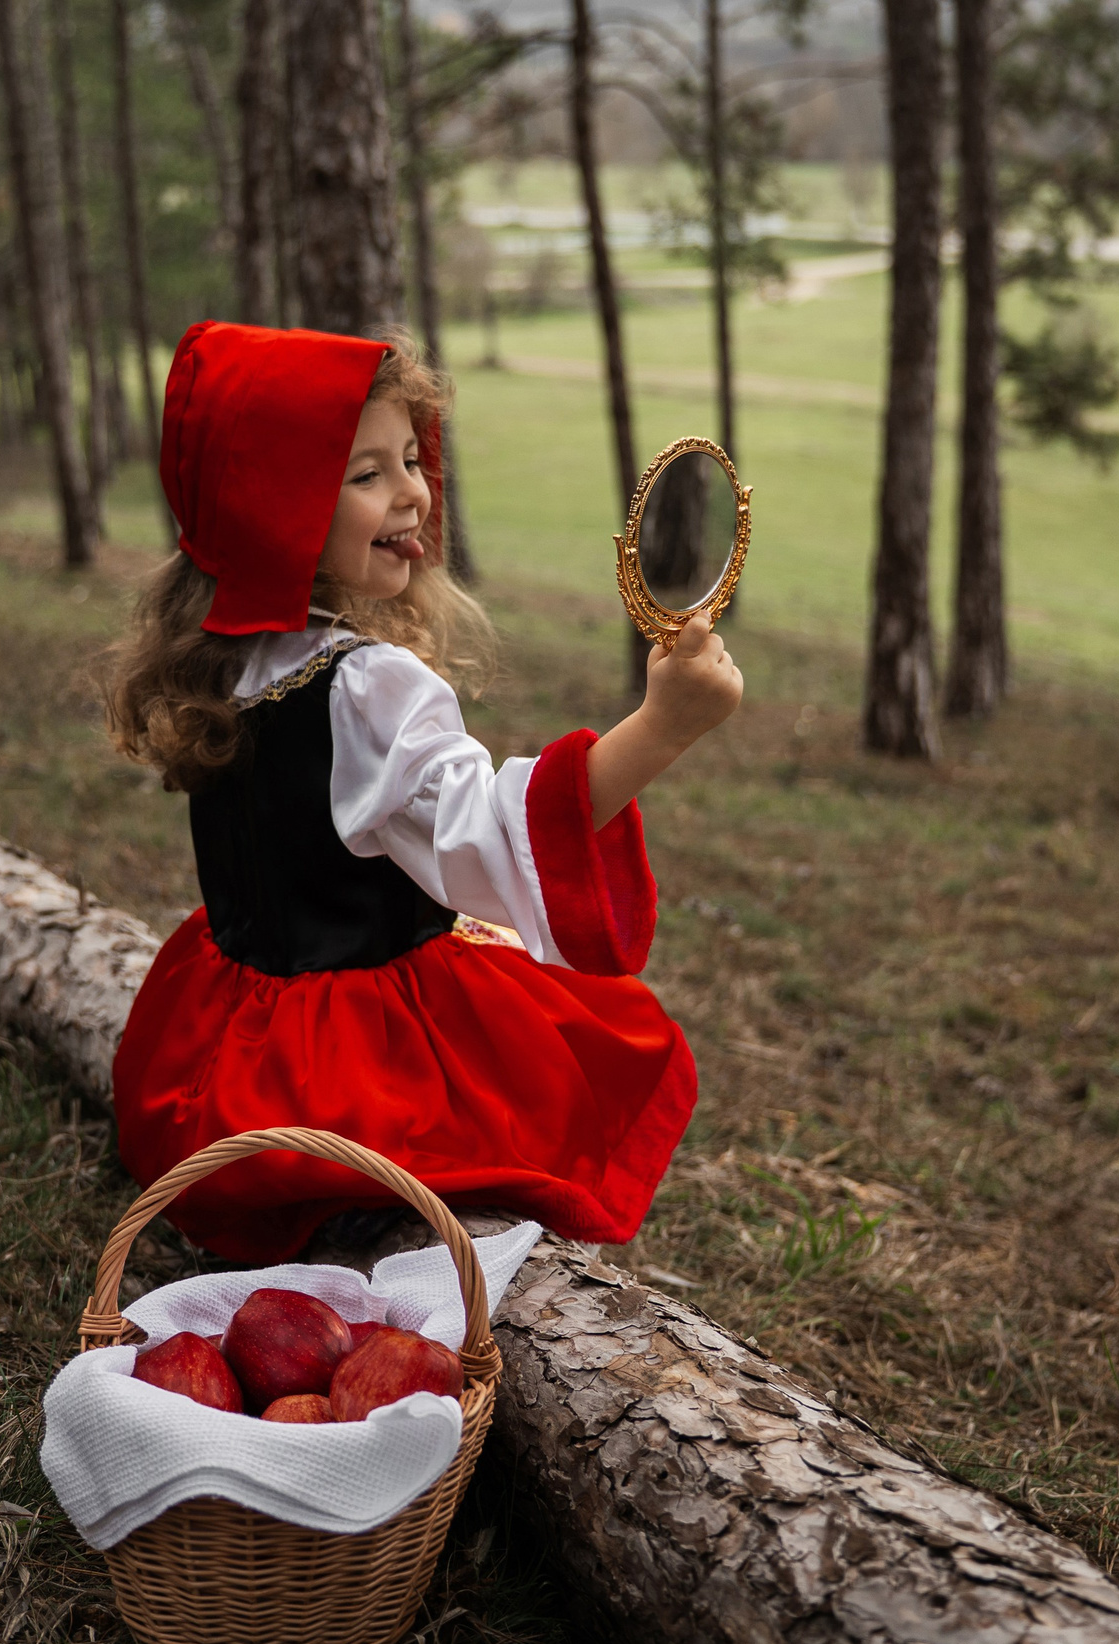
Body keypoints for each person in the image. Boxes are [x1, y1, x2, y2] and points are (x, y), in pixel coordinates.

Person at [106, 322, 740, 1264]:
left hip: (230, 1048)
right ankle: (371, 1227)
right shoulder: (366, 686)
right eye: (367, 473)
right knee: (597, 1049)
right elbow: (487, 836)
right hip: (347, 1078)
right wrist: (663, 727)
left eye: (410, 458)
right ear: (272, 508)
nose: (414, 490)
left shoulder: (225, 657)